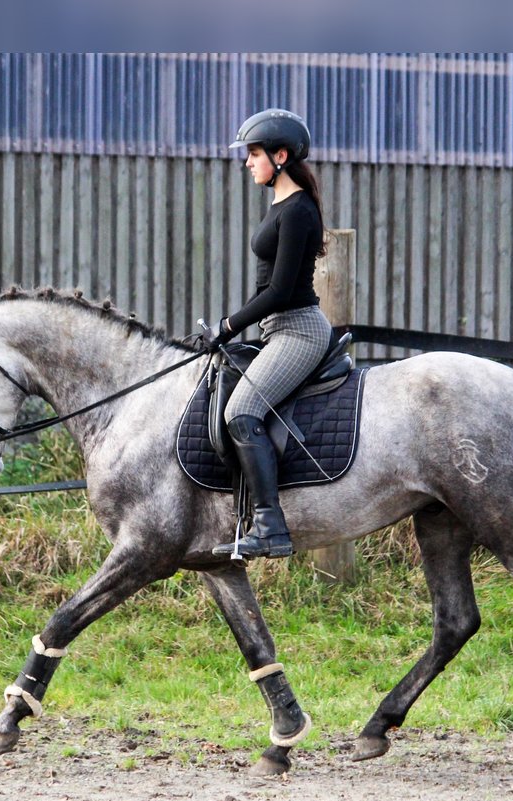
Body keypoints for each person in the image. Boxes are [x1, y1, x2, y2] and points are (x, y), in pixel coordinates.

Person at [208, 108, 334, 560]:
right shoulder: (282, 205)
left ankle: (270, 526)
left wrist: (229, 325)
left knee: (241, 410)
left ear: (281, 156)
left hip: (298, 332)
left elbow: (281, 291)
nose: (248, 162)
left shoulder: (298, 209)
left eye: (255, 153)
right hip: (277, 329)